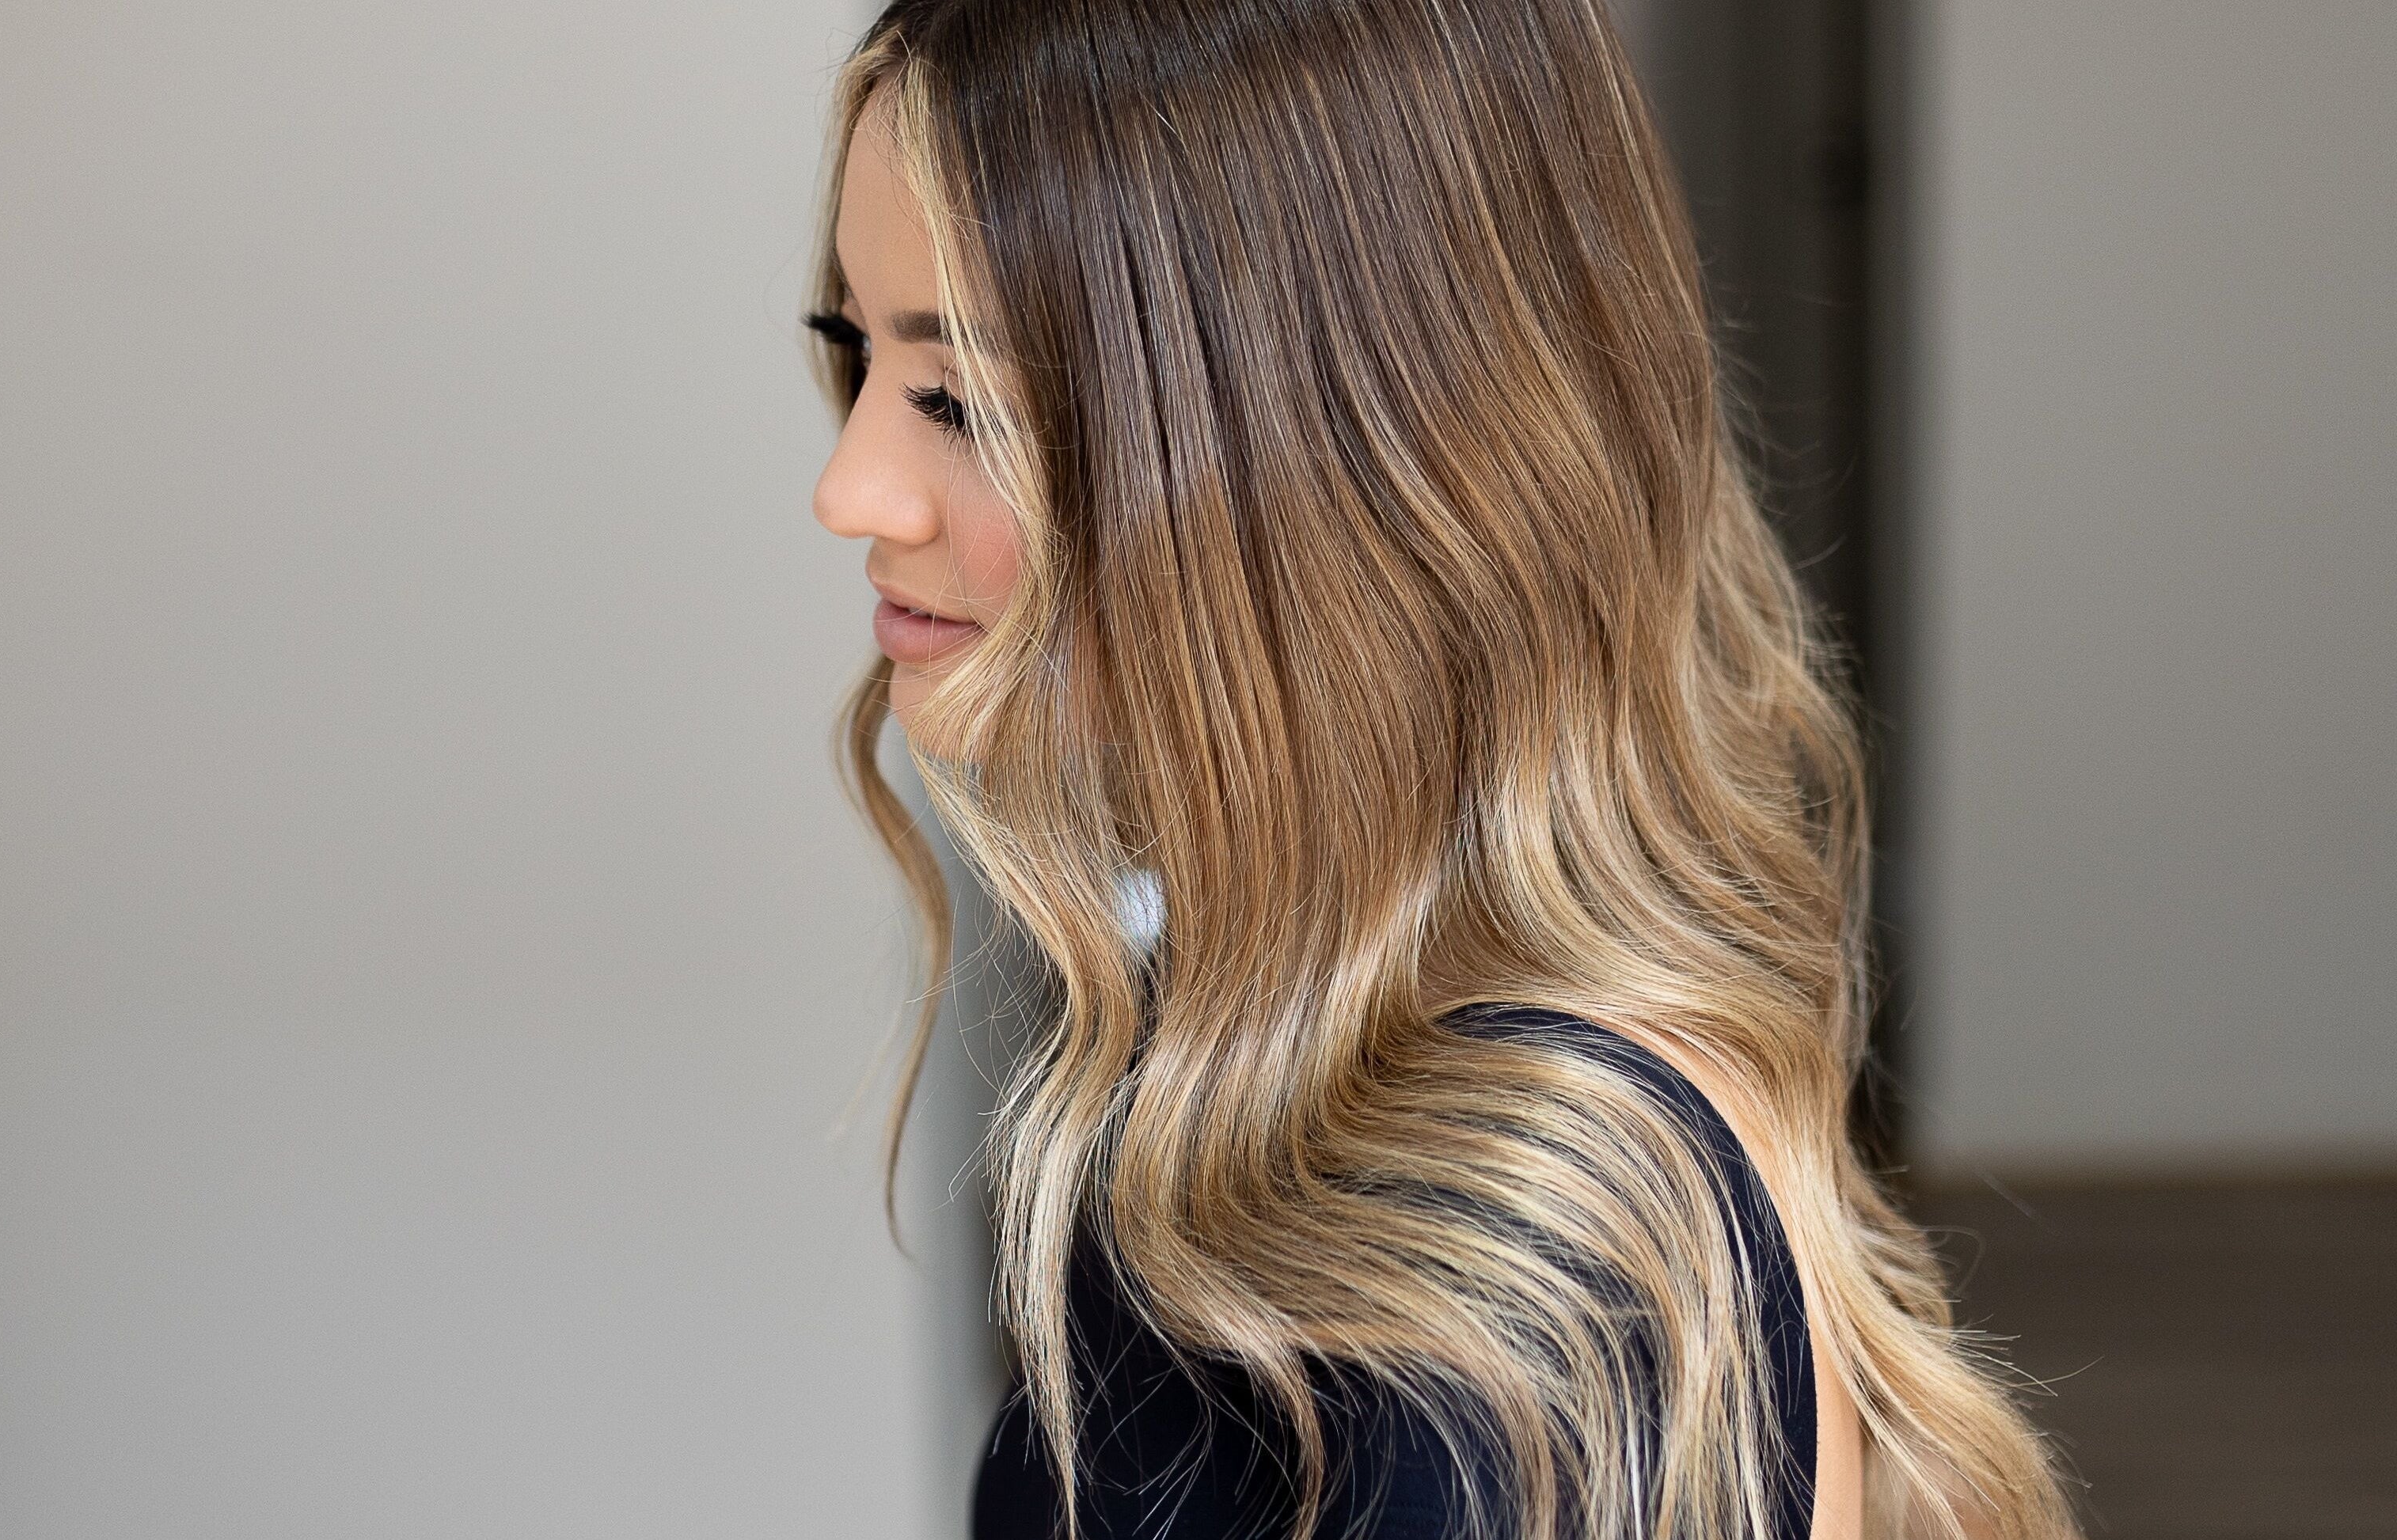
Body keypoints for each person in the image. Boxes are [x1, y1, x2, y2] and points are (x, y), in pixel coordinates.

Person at [804, 3, 2076, 1538]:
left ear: (1347, 454)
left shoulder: (1504, 1287)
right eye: (854, 350)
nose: (849, 487)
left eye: (961, 402)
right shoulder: (1270, 1047)